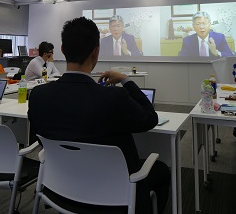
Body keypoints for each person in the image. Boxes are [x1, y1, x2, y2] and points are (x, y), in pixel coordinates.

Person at [28, 17, 170, 213]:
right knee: (161, 170)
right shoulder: (114, 97)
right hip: (116, 193)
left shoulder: (38, 96)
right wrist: (126, 80)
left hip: (61, 188)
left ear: (62, 49)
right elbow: (150, 118)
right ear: (96, 51)